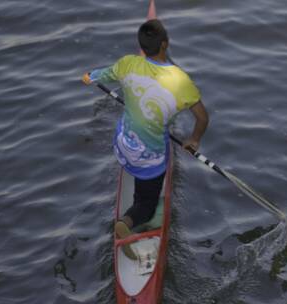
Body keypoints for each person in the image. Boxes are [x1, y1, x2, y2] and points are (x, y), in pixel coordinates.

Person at [82, 19, 209, 259]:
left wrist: (89, 76)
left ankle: (135, 180)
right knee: (147, 206)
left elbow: (101, 75)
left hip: (121, 145)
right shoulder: (181, 80)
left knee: (133, 134)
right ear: (165, 44)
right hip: (148, 159)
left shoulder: (127, 63)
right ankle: (128, 221)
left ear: (141, 47)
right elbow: (202, 119)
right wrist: (193, 140)